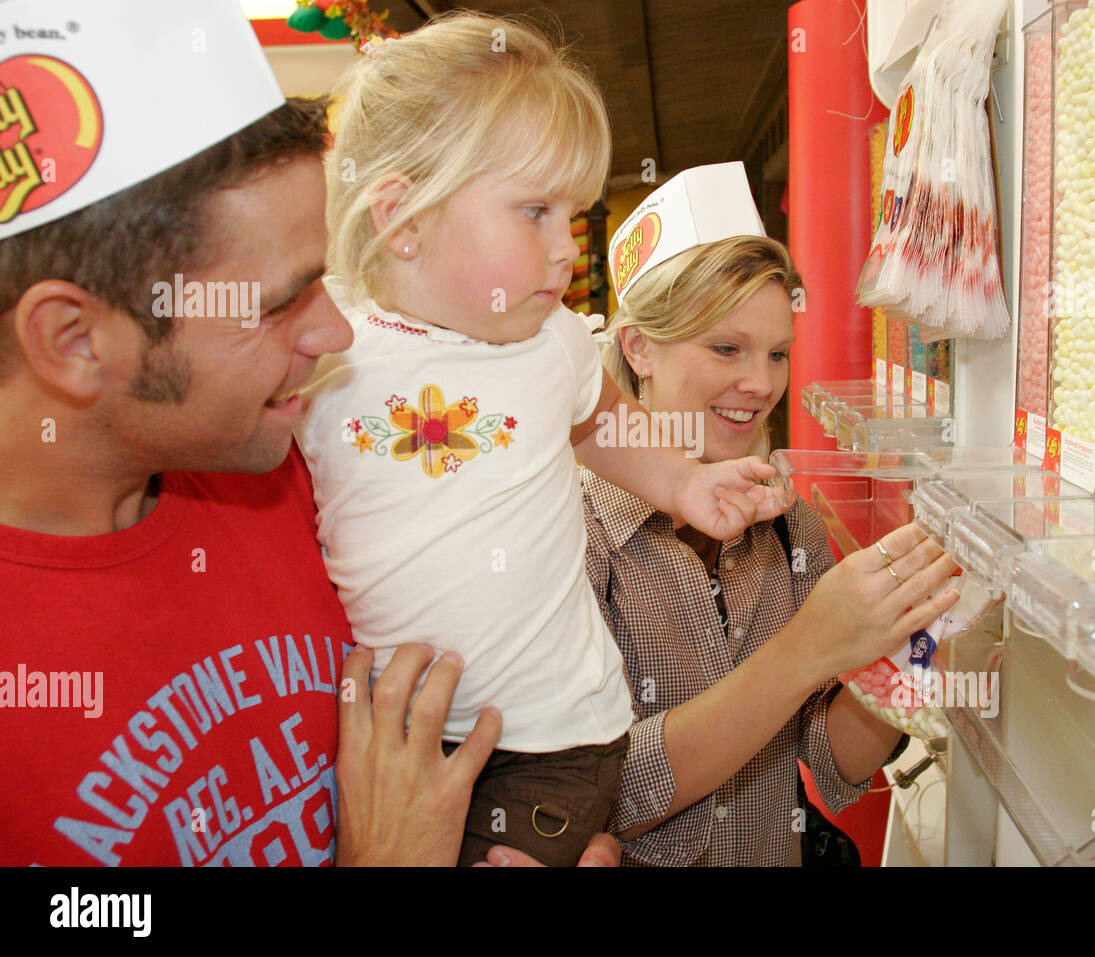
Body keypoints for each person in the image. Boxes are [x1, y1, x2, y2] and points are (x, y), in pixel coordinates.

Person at [0, 0, 555, 867]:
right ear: (73, 340)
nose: (335, 333)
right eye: (277, 302)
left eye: (326, 282)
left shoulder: (296, 468)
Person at [297, 12, 783, 866]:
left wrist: (681, 483)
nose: (566, 248)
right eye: (536, 211)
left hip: (551, 744)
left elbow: (598, 419)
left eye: (574, 214)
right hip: (400, 745)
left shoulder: (549, 339)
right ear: (402, 215)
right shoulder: (329, 353)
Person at [578, 193, 960, 865]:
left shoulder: (788, 526)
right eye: (727, 348)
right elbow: (601, 793)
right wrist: (809, 646)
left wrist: (910, 642)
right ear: (639, 347)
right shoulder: (573, 531)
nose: (759, 383)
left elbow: (831, 759)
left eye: (778, 353)